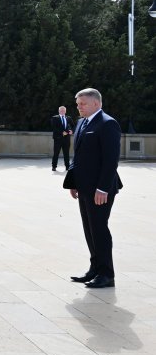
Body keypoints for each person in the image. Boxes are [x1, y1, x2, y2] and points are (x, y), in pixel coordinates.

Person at [63, 88, 122, 289]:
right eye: (77, 103)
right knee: (89, 229)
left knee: (99, 229)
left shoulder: (108, 124)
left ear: (96, 103)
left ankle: (107, 274)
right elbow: (77, 156)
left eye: (83, 103)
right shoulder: (81, 123)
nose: (78, 107)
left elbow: (111, 160)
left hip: (100, 189)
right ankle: (95, 268)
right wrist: (73, 182)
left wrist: (103, 188)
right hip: (84, 187)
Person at [50, 105, 73, 171]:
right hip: (58, 139)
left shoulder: (68, 118)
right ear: (59, 111)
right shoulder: (55, 118)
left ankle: (67, 166)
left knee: (66, 153)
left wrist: (72, 131)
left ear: (65, 111)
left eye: (63, 110)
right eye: (61, 110)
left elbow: (73, 126)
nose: (62, 111)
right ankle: (54, 166)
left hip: (67, 139)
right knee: (56, 153)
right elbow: (54, 128)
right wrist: (62, 132)